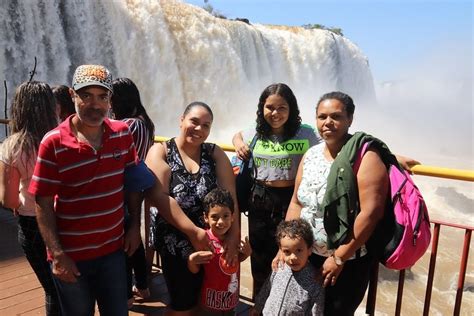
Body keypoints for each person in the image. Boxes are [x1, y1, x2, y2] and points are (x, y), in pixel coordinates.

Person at [28, 64, 144, 315]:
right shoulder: (53, 142)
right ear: (72, 95)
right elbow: (43, 203)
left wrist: (135, 225)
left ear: (110, 100)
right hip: (72, 257)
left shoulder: (123, 134)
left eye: (102, 97)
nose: (95, 104)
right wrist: (58, 255)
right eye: (86, 96)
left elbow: (133, 184)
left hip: (113, 254)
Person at [282, 91, 400, 315]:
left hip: (347, 264)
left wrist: (339, 257)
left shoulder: (366, 158)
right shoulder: (311, 155)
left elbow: (371, 213)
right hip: (306, 256)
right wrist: (286, 245)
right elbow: (297, 202)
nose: (328, 122)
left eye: (336, 116)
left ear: (350, 119)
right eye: (322, 116)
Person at [145, 101, 240, 315]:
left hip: (212, 242)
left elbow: (230, 197)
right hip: (176, 242)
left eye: (206, 125)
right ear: (181, 120)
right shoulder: (161, 151)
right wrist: (193, 232)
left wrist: (234, 237)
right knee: (183, 305)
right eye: (194, 122)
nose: (199, 129)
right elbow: (159, 196)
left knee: (207, 301)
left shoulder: (214, 153)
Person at [232, 83, 321, 297]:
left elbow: (334, 145)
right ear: (262, 109)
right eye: (270, 107)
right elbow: (237, 135)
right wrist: (237, 143)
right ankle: (259, 304)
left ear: (291, 109)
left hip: (291, 201)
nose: (275, 113)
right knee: (260, 256)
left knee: (290, 255)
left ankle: (283, 305)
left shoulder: (305, 133)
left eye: (282, 108)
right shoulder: (255, 132)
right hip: (259, 200)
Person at [0, 81, 61, 315]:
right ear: (51, 106)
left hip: (32, 223)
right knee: (71, 283)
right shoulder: (63, 137)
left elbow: (9, 201)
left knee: (51, 288)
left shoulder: (12, 147)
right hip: (66, 218)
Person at [111, 77, 154, 307]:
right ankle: (143, 286)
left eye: (110, 98)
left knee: (125, 241)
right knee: (133, 236)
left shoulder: (130, 125)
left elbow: (124, 159)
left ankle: (126, 294)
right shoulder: (143, 121)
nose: (108, 104)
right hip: (136, 186)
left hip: (126, 188)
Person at [187, 187, 252, 315]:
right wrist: (191, 260)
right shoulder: (205, 240)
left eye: (225, 216)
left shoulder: (233, 241)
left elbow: (234, 262)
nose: (221, 222)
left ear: (233, 217)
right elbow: (195, 270)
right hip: (209, 303)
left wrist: (247, 253)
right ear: (206, 218)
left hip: (230, 301)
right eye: (215, 217)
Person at [251, 219, 324, 315]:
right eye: (287, 251)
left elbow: (316, 311)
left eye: (299, 250)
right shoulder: (279, 267)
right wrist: (257, 307)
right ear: (281, 250)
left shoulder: (315, 280)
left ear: (309, 250)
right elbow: (267, 288)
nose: (293, 257)